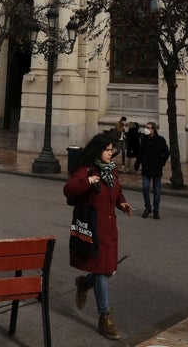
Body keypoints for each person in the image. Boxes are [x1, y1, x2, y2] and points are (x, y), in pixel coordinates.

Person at [63, 132, 132, 340]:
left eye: (112, 150)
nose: (111, 154)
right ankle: (105, 316)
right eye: (107, 150)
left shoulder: (111, 171)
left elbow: (115, 191)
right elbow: (69, 189)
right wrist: (88, 181)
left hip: (110, 228)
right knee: (103, 271)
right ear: (97, 150)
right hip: (94, 228)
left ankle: (84, 283)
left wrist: (122, 203)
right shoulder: (87, 170)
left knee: (109, 269)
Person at [138, 122, 170, 220]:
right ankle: (148, 208)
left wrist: (161, 162)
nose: (146, 129)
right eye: (146, 127)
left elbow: (166, 153)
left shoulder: (160, 140)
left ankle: (156, 210)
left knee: (157, 191)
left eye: (148, 128)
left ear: (153, 129)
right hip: (146, 169)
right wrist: (137, 165)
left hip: (156, 169)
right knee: (145, 188)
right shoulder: (144, 139)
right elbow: (140, 153)